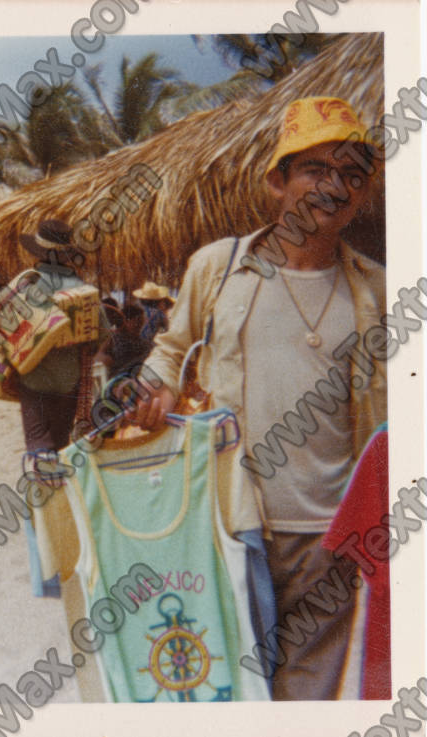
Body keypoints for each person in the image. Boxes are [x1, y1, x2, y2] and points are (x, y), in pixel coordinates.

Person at [130, 97, 386, 700]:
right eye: (315, 169)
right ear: (278, 181)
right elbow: (171, 350)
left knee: (307, 696)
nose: (334, 187)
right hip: (228, 518)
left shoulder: (378, 288)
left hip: (332, 534)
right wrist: (153, 384)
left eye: (351, 176)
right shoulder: (218, 268)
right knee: (227, 686)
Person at [14, 219, 111, 598]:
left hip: (34, 387)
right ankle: (72, 552)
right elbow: (101, 336)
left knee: (40, 464)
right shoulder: (84, 291)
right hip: (71, 386)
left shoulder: (28, 287)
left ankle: (48, 570)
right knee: (61, 461)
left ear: (39, 254)